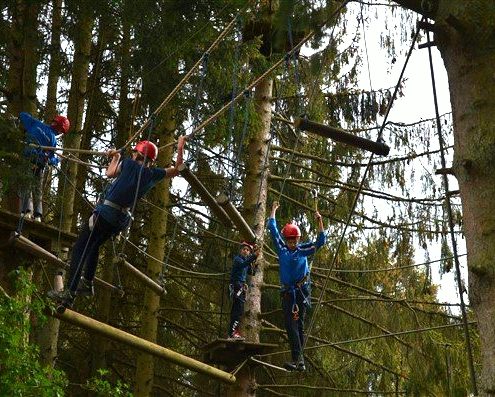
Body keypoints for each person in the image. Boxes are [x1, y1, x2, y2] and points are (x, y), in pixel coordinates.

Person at [48, 135, 186, 307]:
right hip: (120, 220)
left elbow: (109, 172)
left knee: (79, 248)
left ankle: (70, 291)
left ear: (137, 154)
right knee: (94, 246)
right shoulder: (152, 175)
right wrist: (180, 146)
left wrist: (116, 157)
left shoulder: (128, 164)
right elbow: (177, 170)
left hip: (106, 213)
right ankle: (87, 282)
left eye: (134, 152)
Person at [267, 201, 325, 371]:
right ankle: (298, 360)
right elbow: (273, 229)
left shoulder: (303, 249)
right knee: (291, 325)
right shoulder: (282, 249)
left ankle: (298, 360)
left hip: (301, 291)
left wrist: (319, 221)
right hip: (287, 292)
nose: (292, 243)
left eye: (295, 240)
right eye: (290, 240)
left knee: (297, 325)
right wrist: (273, 210)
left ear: (298, 239)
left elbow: (320, 242)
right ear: (286, 239)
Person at [19, 112, 70, 221]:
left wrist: (23, 123)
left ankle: (26, 211)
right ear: (60, 130)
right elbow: (50, 159)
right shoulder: (53, 140)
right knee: (37, 189)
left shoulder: (36, 124)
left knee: (26, 184)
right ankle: (38, 215)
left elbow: (23, 115)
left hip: (28, 159)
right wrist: (59, 159)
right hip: (39, 165)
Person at [228, 241, 259, 339]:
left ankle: (232, 332)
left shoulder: (246, 262)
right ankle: (233, 332)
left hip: (240, 286)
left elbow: (252, 272)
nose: (246, 251)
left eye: (248, 250)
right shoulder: (238, 260)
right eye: (244, 249)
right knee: (237, 310)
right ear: (240, 251)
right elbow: (243, 265)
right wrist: (253, 256)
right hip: (237, 286)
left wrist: (255, 262)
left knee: (239, 310)